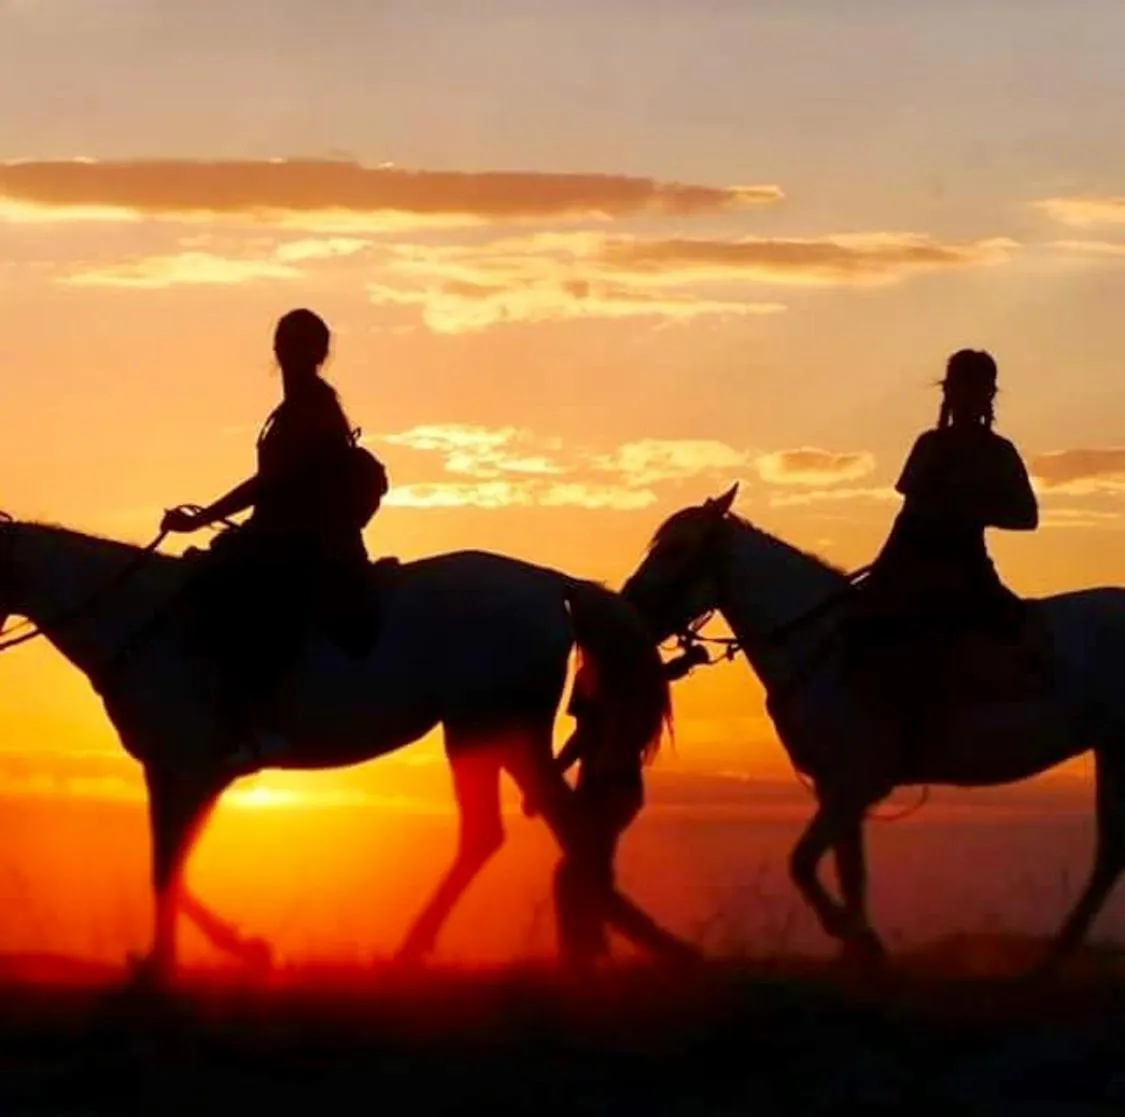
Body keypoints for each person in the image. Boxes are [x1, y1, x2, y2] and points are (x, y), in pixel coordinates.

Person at [162, 308, 388, 772]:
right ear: (277, 350)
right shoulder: (291, 409)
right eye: (287, 342)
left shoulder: (312, 408)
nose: (291, 352)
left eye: (303, 344)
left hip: (308, 540)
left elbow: (269, 483)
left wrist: (204, 516)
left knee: (248, 597)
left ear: (318, 353)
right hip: (280, 532)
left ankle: (264, 723)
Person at [845, 348, 1040, 767]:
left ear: (987, 395)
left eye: (974, 388)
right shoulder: (929, 445)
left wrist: (969, 507)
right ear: (950, 391)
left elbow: (1027, 516)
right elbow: (909, 510)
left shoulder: (999, 453)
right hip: (906, 563)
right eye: (958, 387)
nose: (966, 396)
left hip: (965, 570)